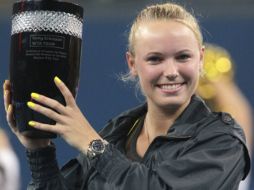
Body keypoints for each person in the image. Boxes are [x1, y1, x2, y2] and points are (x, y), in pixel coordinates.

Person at [3, 2, 250, 190]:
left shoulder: (223, 142)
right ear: (132, 64)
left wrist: (93, 145)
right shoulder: (118, 132)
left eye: (183, 57)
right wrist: (39, 149)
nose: (171, 72)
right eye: (155, 59)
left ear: (201, 59)